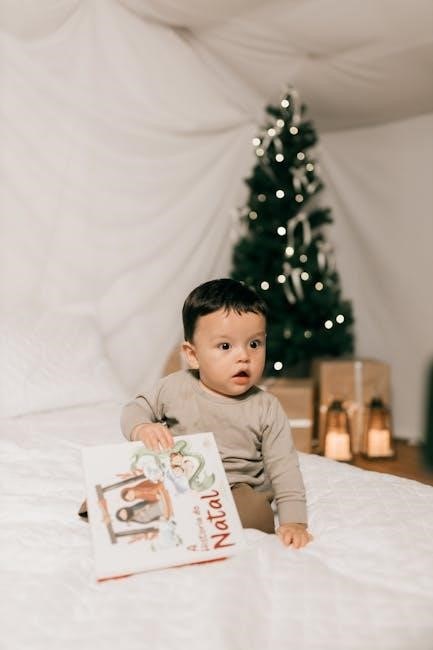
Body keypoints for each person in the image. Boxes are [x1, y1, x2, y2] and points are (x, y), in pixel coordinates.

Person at [120, 278, 312, 549]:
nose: (244, 356)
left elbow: (284, 467)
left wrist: (294, 521)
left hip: (234, 488)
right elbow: (134, 408)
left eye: (254, 344)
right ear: (193, 354)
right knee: (128, 487)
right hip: (178, 475)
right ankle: (123, 510)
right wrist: (141, 427)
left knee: (256, 513)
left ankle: (193, 520)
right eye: (225, 346)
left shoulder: (266, 407)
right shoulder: (174, 387)